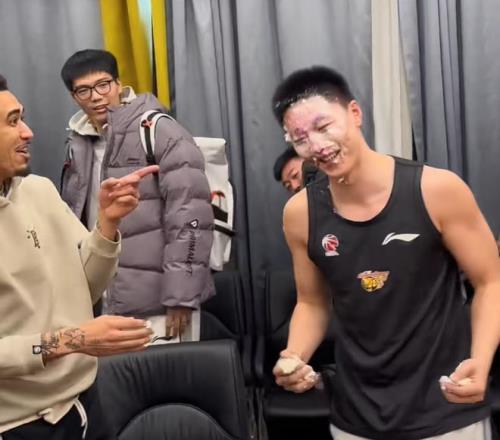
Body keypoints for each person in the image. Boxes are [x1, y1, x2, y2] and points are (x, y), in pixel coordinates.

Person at [271, 66, 499, 439]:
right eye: (300, 138)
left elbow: (490, 281)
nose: (317, 145)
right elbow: (312, 302)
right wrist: (294, 356)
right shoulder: (300, 214)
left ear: (355, 113)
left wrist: (481, 359)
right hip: (356, 416)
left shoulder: (437, 190)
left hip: (445, 406)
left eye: (324, 126)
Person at [0, 73, 157, 439]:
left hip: (85, 403)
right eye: (12, 122)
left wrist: (107, 225)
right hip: (17, 424)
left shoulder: (38, 191)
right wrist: (72, 340)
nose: (28, 133)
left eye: (23, 118)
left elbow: (86, 286)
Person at [59, 49, 214, 341]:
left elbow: (191, 215)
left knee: (171, 372)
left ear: (118, 84)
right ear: (73, 96)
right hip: (100, 303)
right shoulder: (77, 141)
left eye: (103, 85)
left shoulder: (158, 130)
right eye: (84, 90)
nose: (96, 96)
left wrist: (181, 295)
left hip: (161, 305)